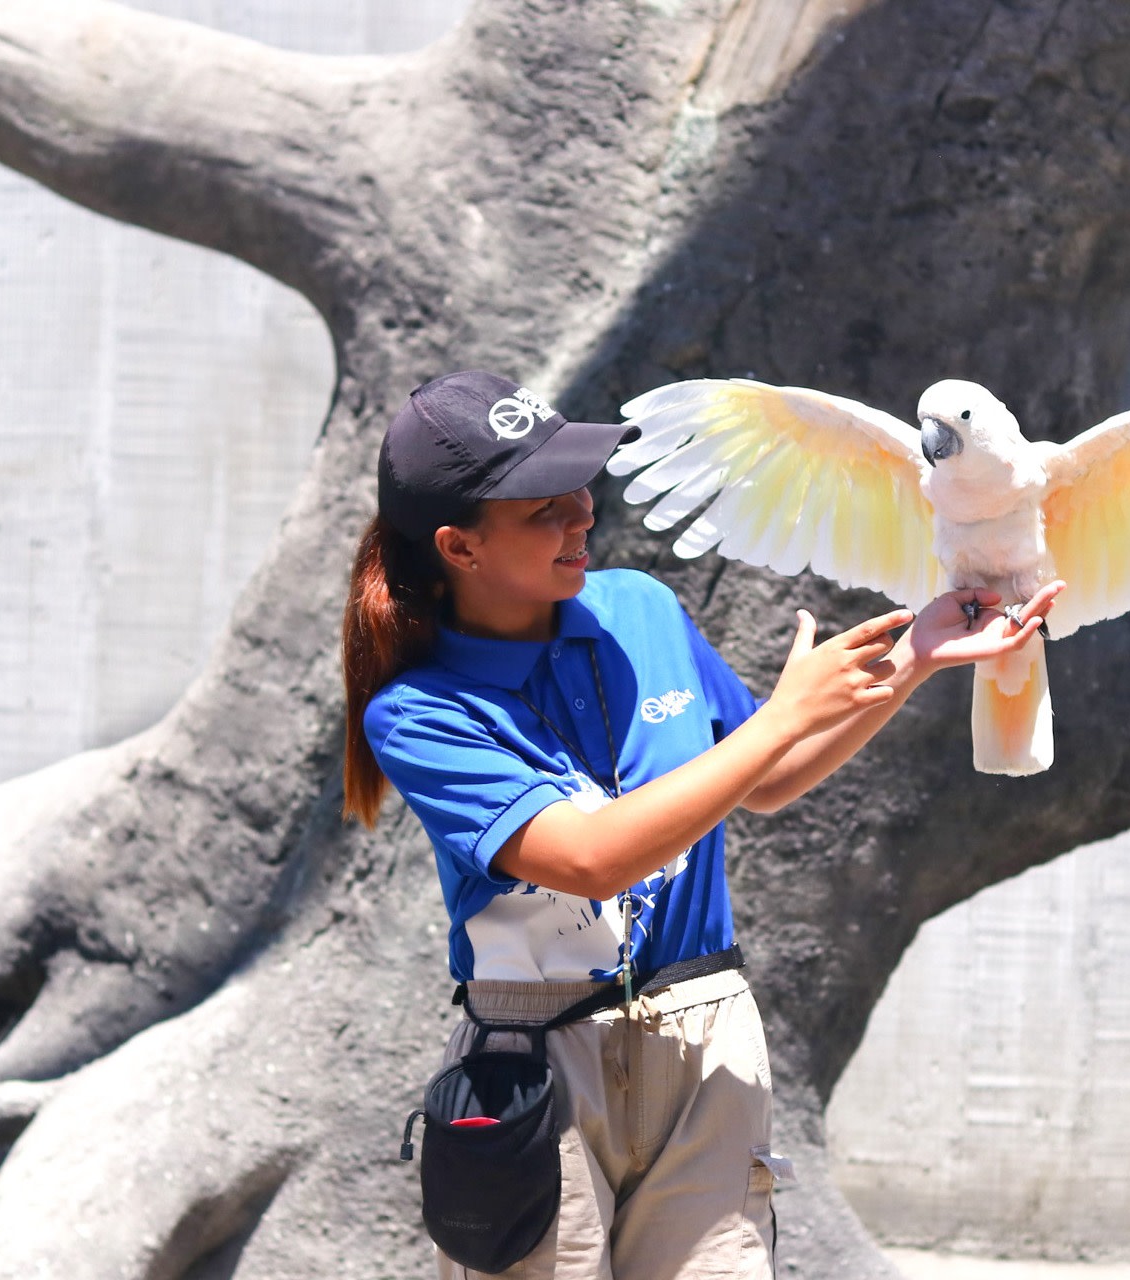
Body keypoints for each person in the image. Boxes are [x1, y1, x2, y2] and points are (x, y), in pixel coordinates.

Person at [341, 371, 1059, 1280]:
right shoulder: (418, 713)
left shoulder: (640, 607)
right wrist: (785, 717)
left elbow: (766, 778)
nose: (581, 516)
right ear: (459, 546)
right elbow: (590, 860)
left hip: (707, 1034)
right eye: (543, 508)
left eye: (580, 488)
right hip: (534, 1069)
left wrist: (914, 658)